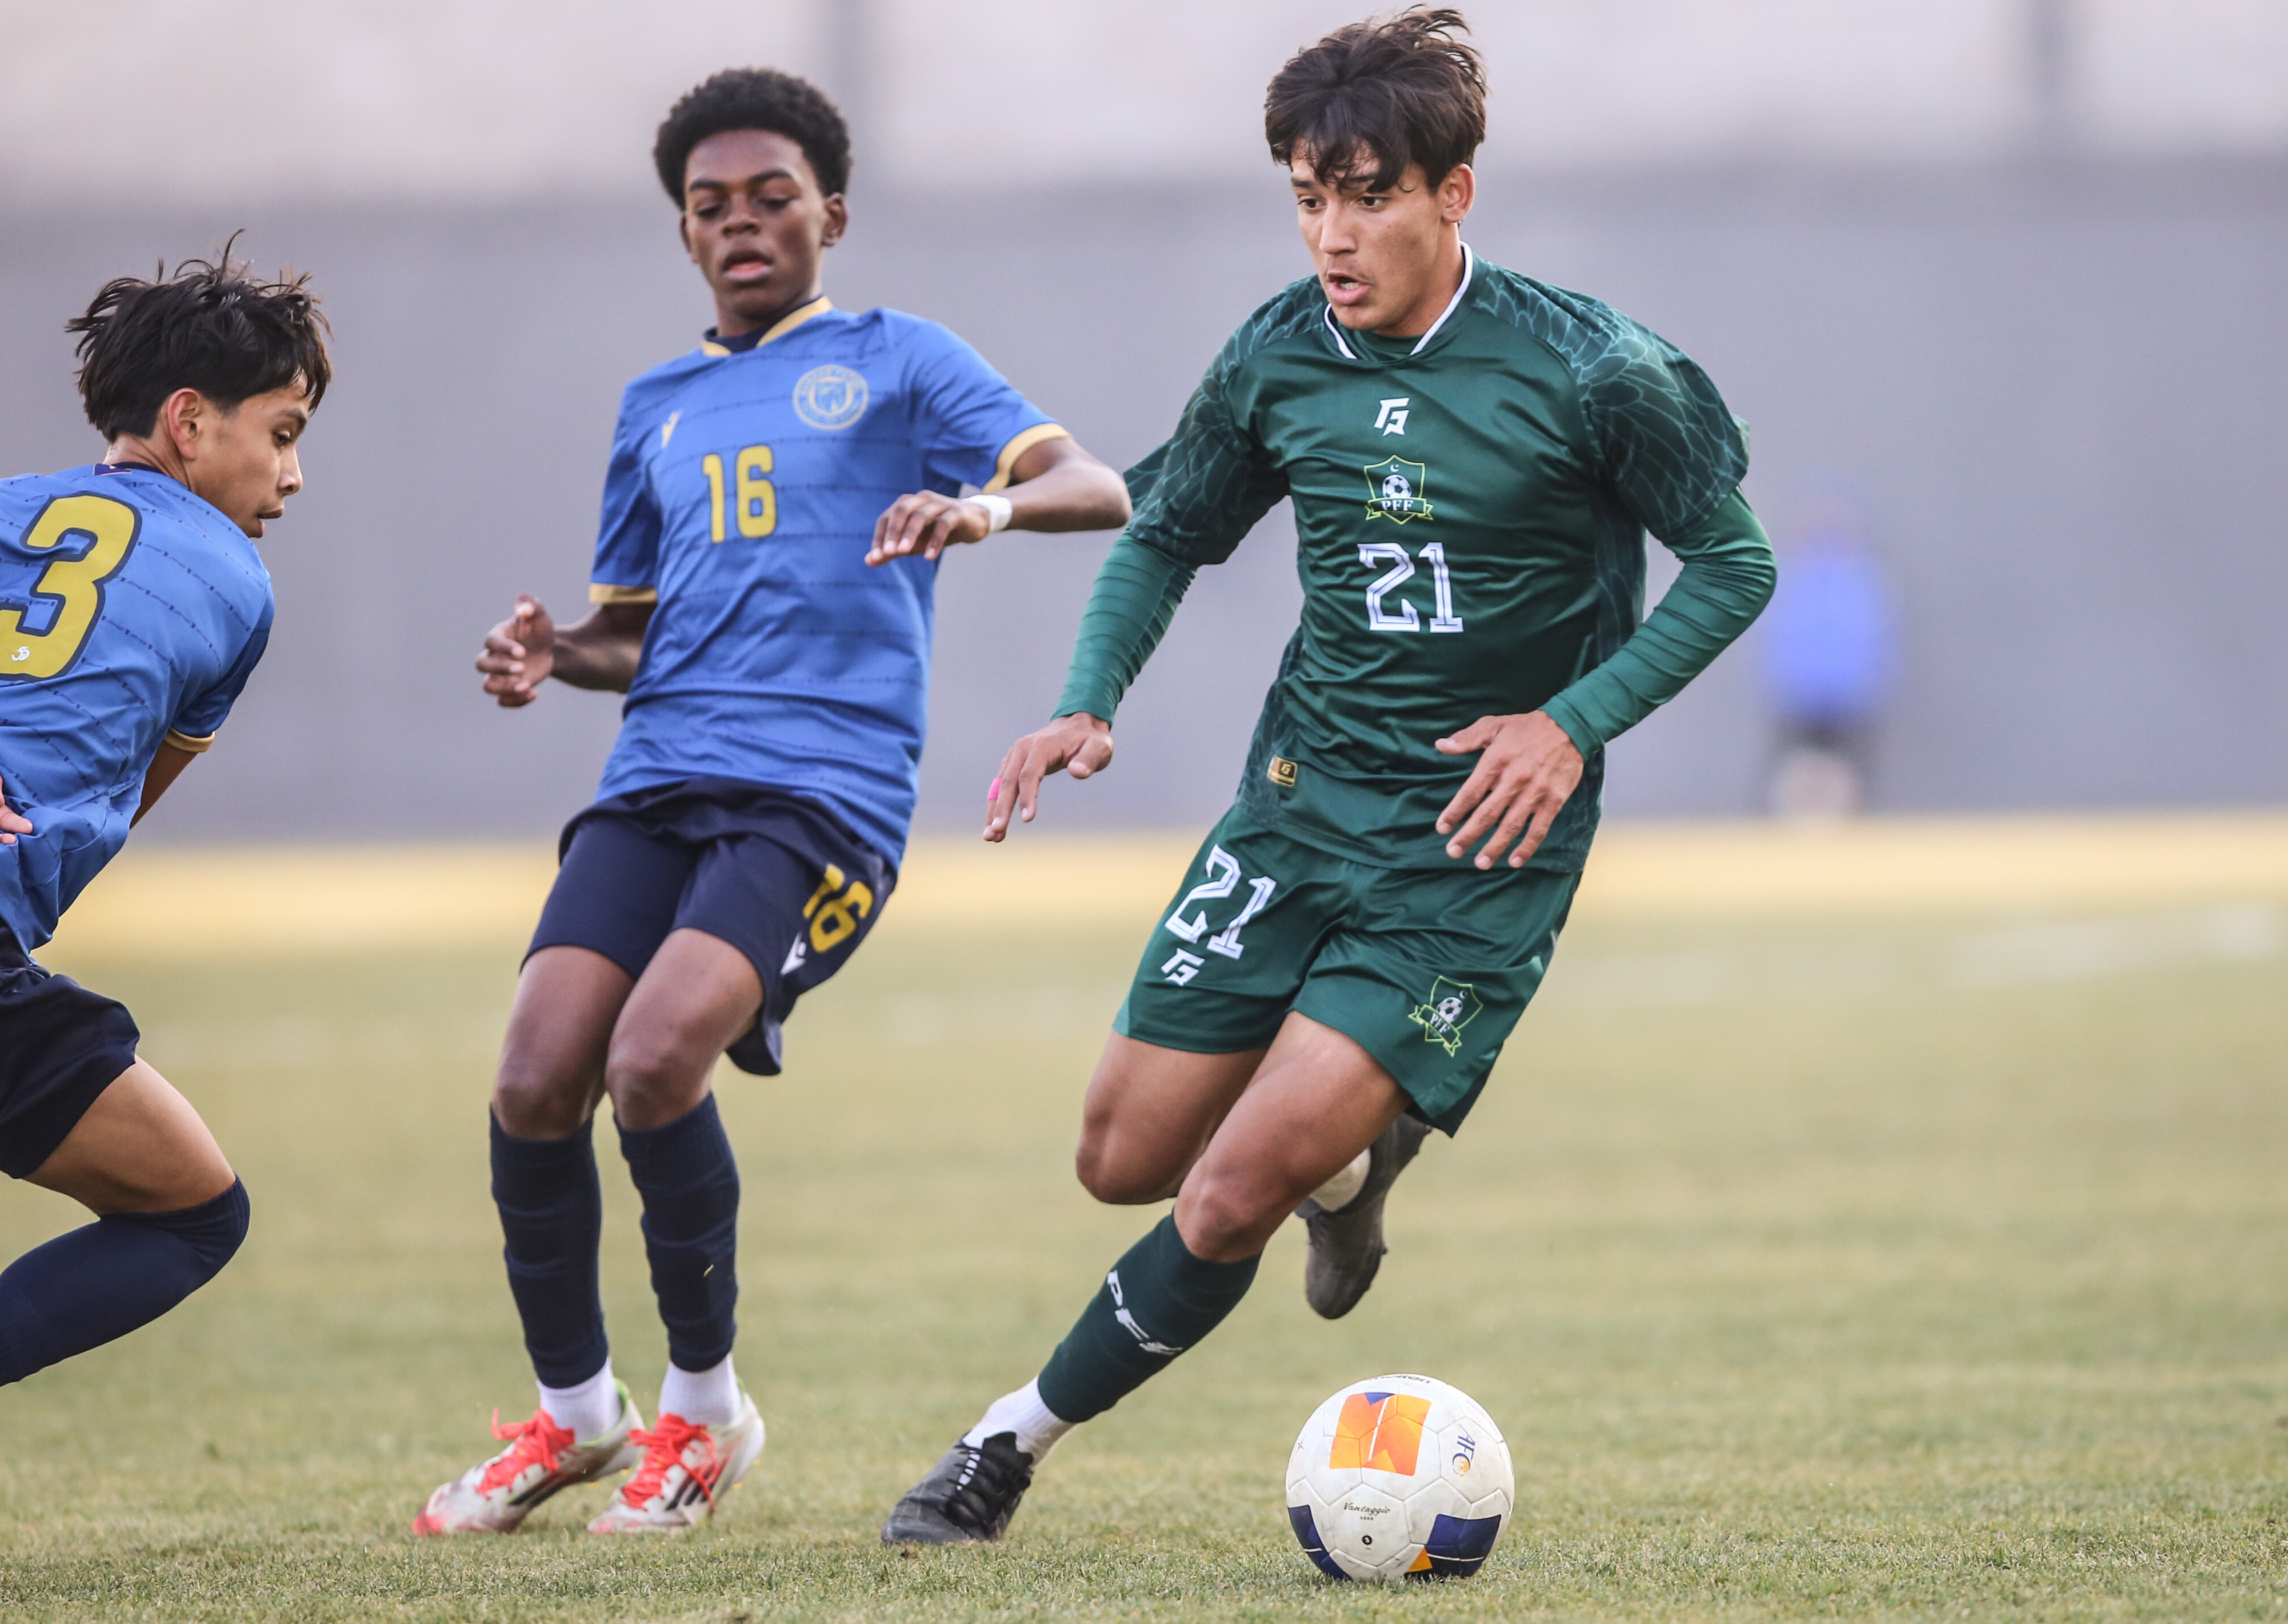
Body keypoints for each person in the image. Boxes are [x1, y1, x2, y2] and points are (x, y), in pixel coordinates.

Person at [881, 7, 1775, 1546]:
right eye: (1308, 198)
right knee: (1118, 1160)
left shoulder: (1596, 370)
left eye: (1366, 197)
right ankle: (1357, 1176)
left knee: (1227, 1190)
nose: (1331, 236)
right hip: (1297, 810)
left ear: (1453, 193)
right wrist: (1086, 700)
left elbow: (1733, 562)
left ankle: (996, 1451)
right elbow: (1164, 528)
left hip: (1470, 852)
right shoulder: (1280, 353)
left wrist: (1569, 722)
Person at [413, 69, 1128, 1539]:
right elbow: (633, 631)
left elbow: (1096, 485)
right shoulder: (656, 405)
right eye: (710, 207)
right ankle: (574, 1417)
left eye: (770, 198)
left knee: (653, 1056)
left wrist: (983, 506)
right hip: (655, 780)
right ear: (684, 233)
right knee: (536, 1075)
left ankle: (705, 1412)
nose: (740, 224)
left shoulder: (899, 359)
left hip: (819, 795)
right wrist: (556, 654)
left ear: (831, 215)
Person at [0, 252, 326, 1580]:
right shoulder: (235, 581)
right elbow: (127, 796)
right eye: (283, 432)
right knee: (195, 1214)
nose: (292, 476)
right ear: (189, 421)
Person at [1761, 487, 1895, 819]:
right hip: (1801, 695)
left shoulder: (1860, 578)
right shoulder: (1792, 576)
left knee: (1853, 771)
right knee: (1793, 771)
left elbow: (1873, 638)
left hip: (1846, 696)